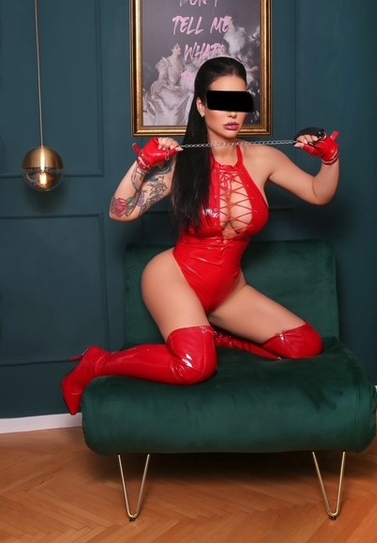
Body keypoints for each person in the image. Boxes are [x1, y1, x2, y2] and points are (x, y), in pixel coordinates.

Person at [62, 56, 340, 415]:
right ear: (201, 106)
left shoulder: (264, 159)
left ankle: (215, 336)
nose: (233, 112)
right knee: (195, 367)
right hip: (174, 278)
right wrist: (142, 165)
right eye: (221, 101)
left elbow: (319, 194)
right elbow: (121, 211)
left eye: (240, 101)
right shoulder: (183, 164)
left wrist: (330, 160)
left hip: (228, 292)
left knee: (305, 345)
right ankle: (96, 363)